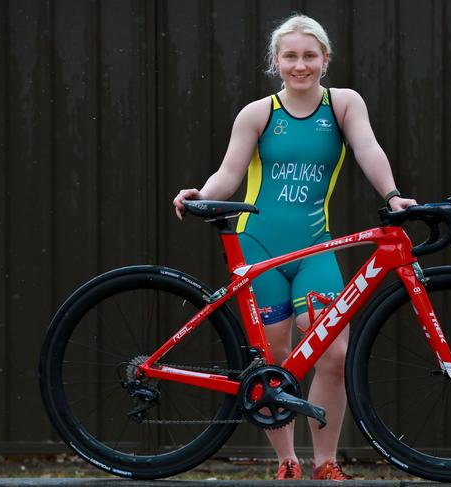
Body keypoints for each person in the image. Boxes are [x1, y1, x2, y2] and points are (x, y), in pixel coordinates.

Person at [173, 14, 416, 481]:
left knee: (335, 352)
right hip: (259, 247)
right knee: (274, 357)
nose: (300, 65)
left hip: (314, 248)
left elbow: (368, 148)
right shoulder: (258, 113)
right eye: (290, 56)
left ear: (325, 59)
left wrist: (392, 196)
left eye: (309, 55)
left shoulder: (343, 105)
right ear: (275, 62)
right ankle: (287, 461)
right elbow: (230, 172)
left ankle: (326, 462)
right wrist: (200, 194)